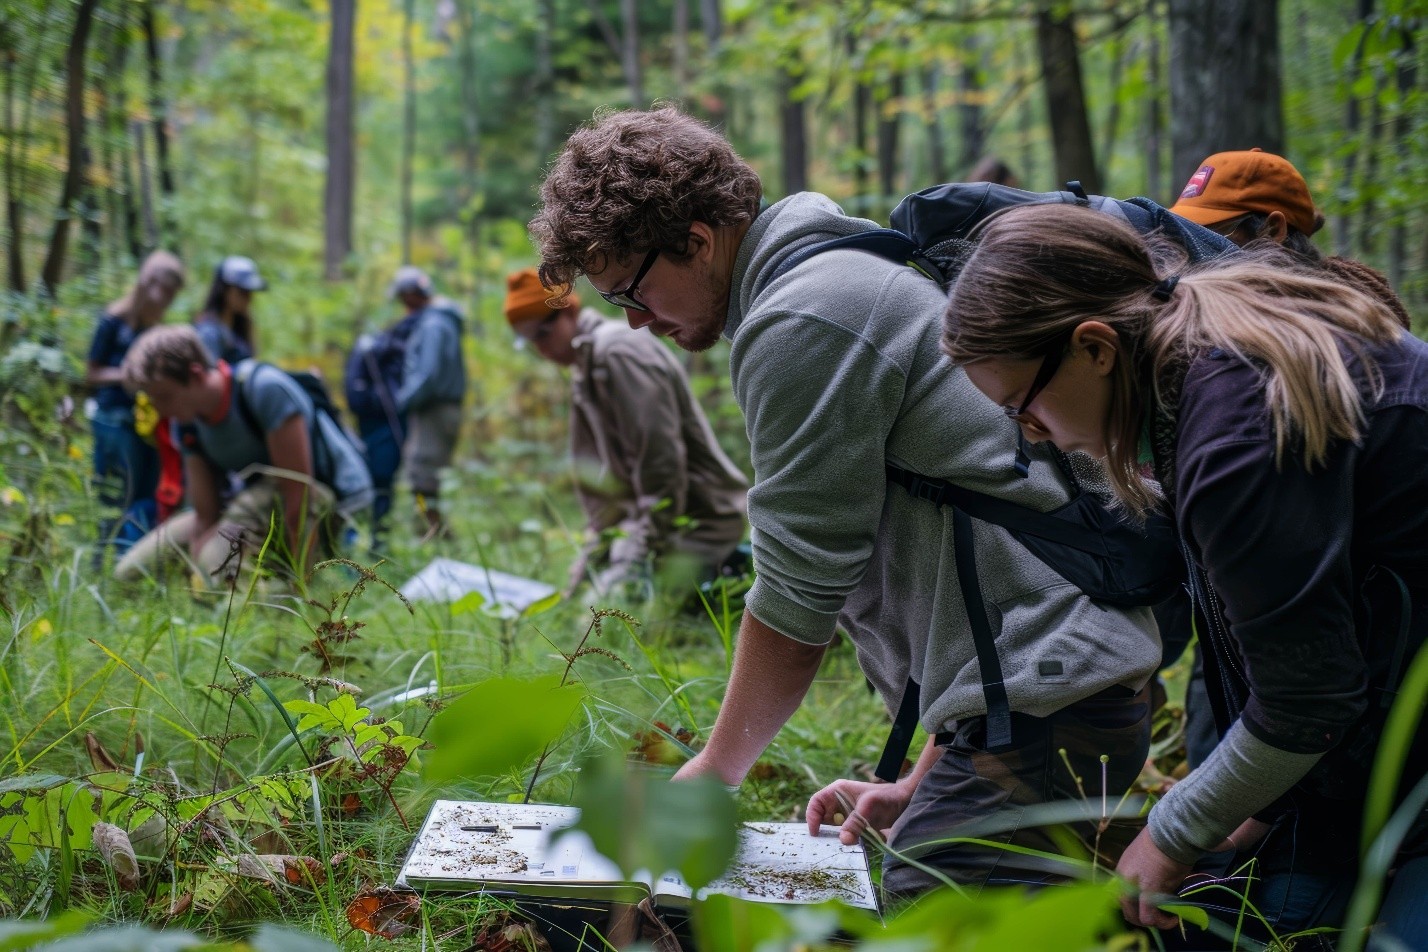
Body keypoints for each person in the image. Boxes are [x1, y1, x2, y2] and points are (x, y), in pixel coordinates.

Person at [528, 106, 1161, 899]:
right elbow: (990, 544)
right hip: (1053, 689)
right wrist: (926, 777)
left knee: (932, 917)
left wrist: (712, 775)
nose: (638, 324)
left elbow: (799, 595)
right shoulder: (843, 266)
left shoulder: (805, 315)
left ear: (697, 239)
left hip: (1049, 698)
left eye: (632, 292)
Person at [940, 203, 1427, 946]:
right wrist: (1248, 812)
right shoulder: (1192, 380)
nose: (1030, 435)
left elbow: (1309, 699)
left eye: (1024, 406)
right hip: (1364, 760)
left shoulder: (1233, 434)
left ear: (1095, 347)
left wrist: (1172, 831)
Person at [503, 267, 748, 597]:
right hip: (650, 525)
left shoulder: (617, 352)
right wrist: (595, 555)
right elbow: (608, 492)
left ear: (569, 310)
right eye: (530, 342)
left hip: (696, 525)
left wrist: (634, 556)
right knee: (579, 604)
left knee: (608, 618)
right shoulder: (586, 365)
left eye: (543, 333)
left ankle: (737, 582)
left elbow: (661, 464)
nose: (542, 349)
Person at [113, 326, 372, 586]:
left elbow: (299, 496)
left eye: (165, 397)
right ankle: (218, 591)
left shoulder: (263, 390)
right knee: (131, 572)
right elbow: (205, 515)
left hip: (314, 494)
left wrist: (296, 580)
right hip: (253, 501)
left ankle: (249, 596)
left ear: (196, 374)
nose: (160, 409)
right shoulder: (186, 422)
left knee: (218, 565)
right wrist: (197, 571)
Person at [1170, 148, 1411, 329]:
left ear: (1273, 231)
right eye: (1185, 232)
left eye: (1210, 232)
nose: (1191, 245)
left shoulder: (1346, 328)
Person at [85, 250, 185, 555]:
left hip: (147, 426)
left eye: (172, 294)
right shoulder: (113, 322)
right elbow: (91, 373)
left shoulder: (155, 330)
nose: (166, 299)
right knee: (113, 497)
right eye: (165, 290)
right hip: (113, 423)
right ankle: (102, 567)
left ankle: (130, 563)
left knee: (146, 495)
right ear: (148, 282)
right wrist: (127, 375)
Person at [389, 267, 466, 542]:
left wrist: (403, 400)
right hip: (437, 408)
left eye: (402, 298)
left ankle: (436, 538)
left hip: (435, 409)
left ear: (411, 296)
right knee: (424, 477)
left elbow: (428, 374)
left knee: (422, 477)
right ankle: (432, 534)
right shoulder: (439, 320)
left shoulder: (433, 324)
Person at [344, 306, 421, 547]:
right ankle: (375, 542)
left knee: (377, 482)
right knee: (380, 483)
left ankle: (374, 541)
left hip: (377, 427)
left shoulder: (381, 350)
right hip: (385, 427)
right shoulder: (385, 352)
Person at [194, 255, 267, 363]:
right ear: (224, 290)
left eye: (250, 292)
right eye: (242, 291)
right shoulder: (209, 331)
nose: (248, 298)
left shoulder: (240, 329)